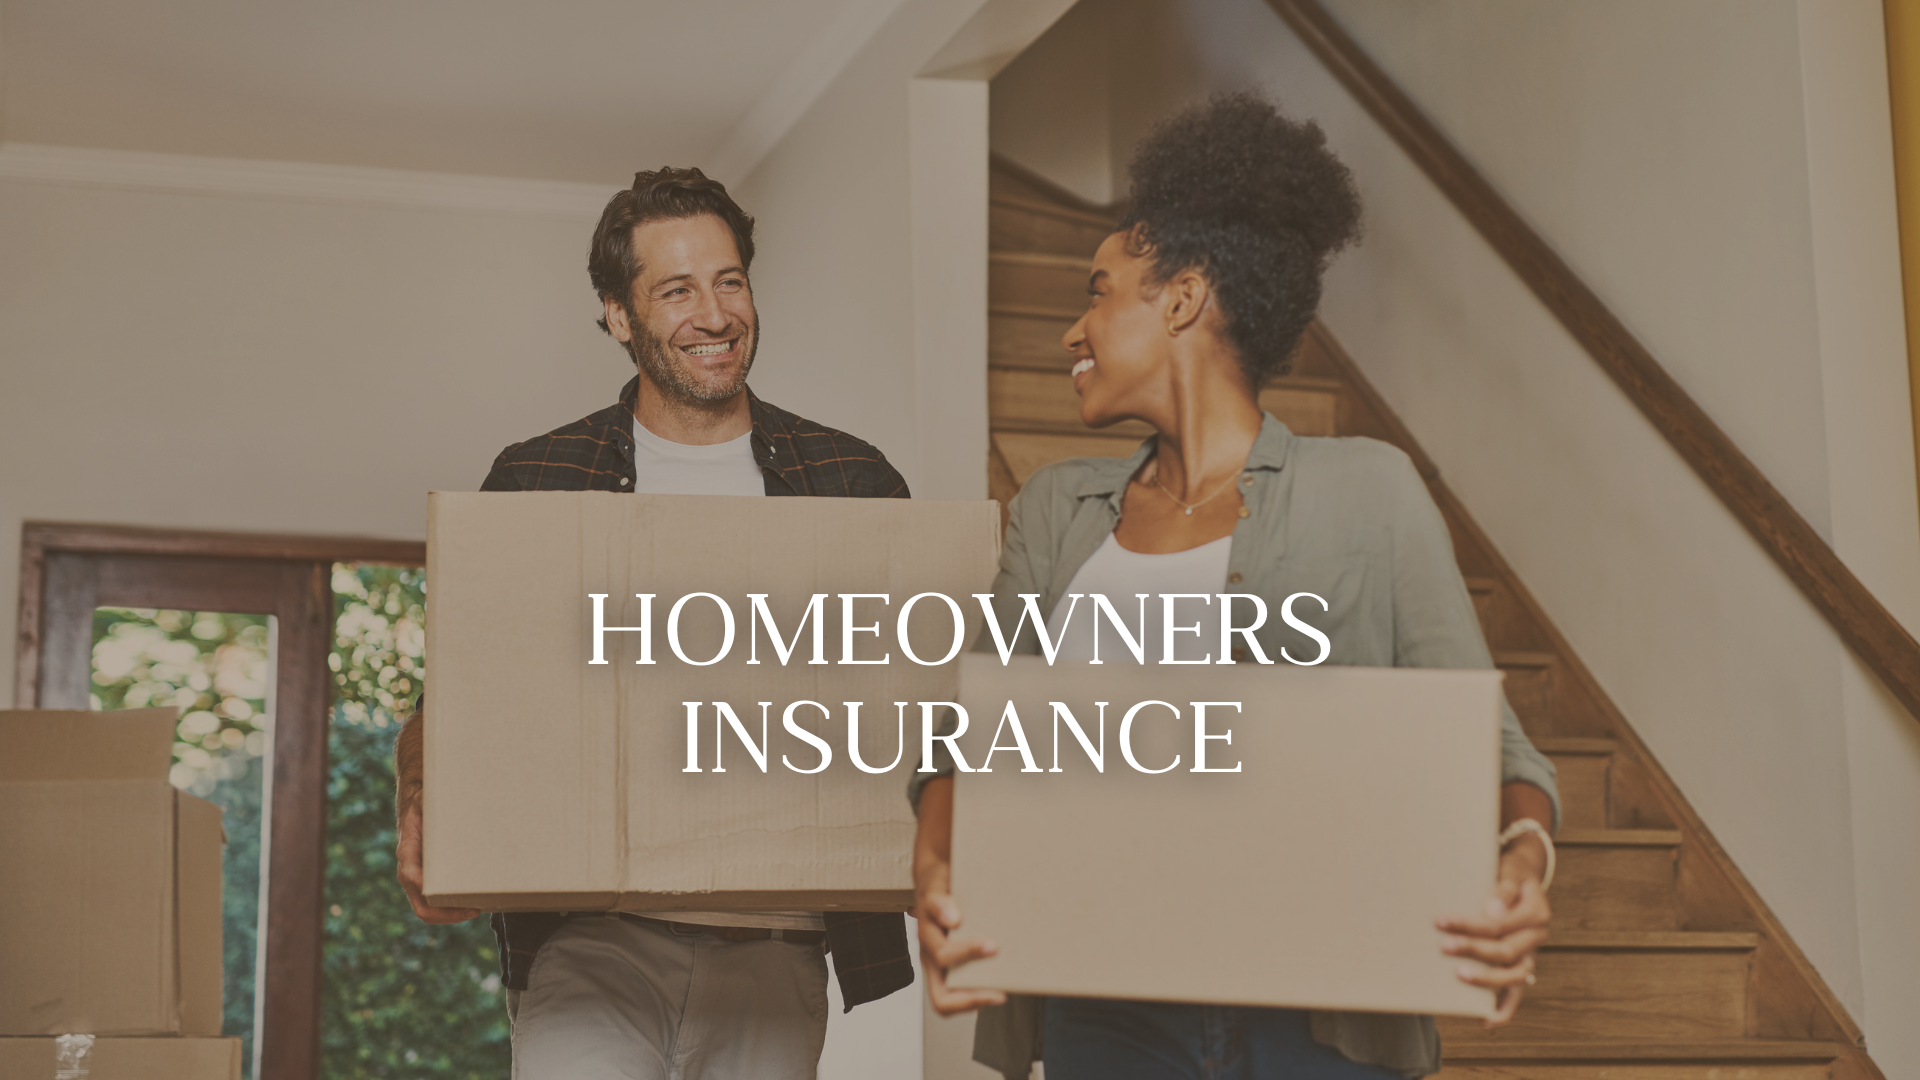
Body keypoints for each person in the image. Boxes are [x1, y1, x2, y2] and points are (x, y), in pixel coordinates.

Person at [909, 93, 1561, 1079]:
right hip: (1104, 1010)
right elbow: (971, 732)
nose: (1070, 332)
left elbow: (1496, 751)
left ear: (1182, 298)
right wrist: (938, 867)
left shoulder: (1369, 492)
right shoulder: (1054, 510)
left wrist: (1521, 862)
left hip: (1323, 1023)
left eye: (1099, 292)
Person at [393, 167, 915, 1080]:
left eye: (730, 281)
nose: (714, 314)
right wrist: (421, 796)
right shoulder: (538, 478)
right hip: (591, 941)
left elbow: (910, 695)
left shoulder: (853, 479)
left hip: (780, 946)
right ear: (619, 317)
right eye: (676, 290)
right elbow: (467, 694)